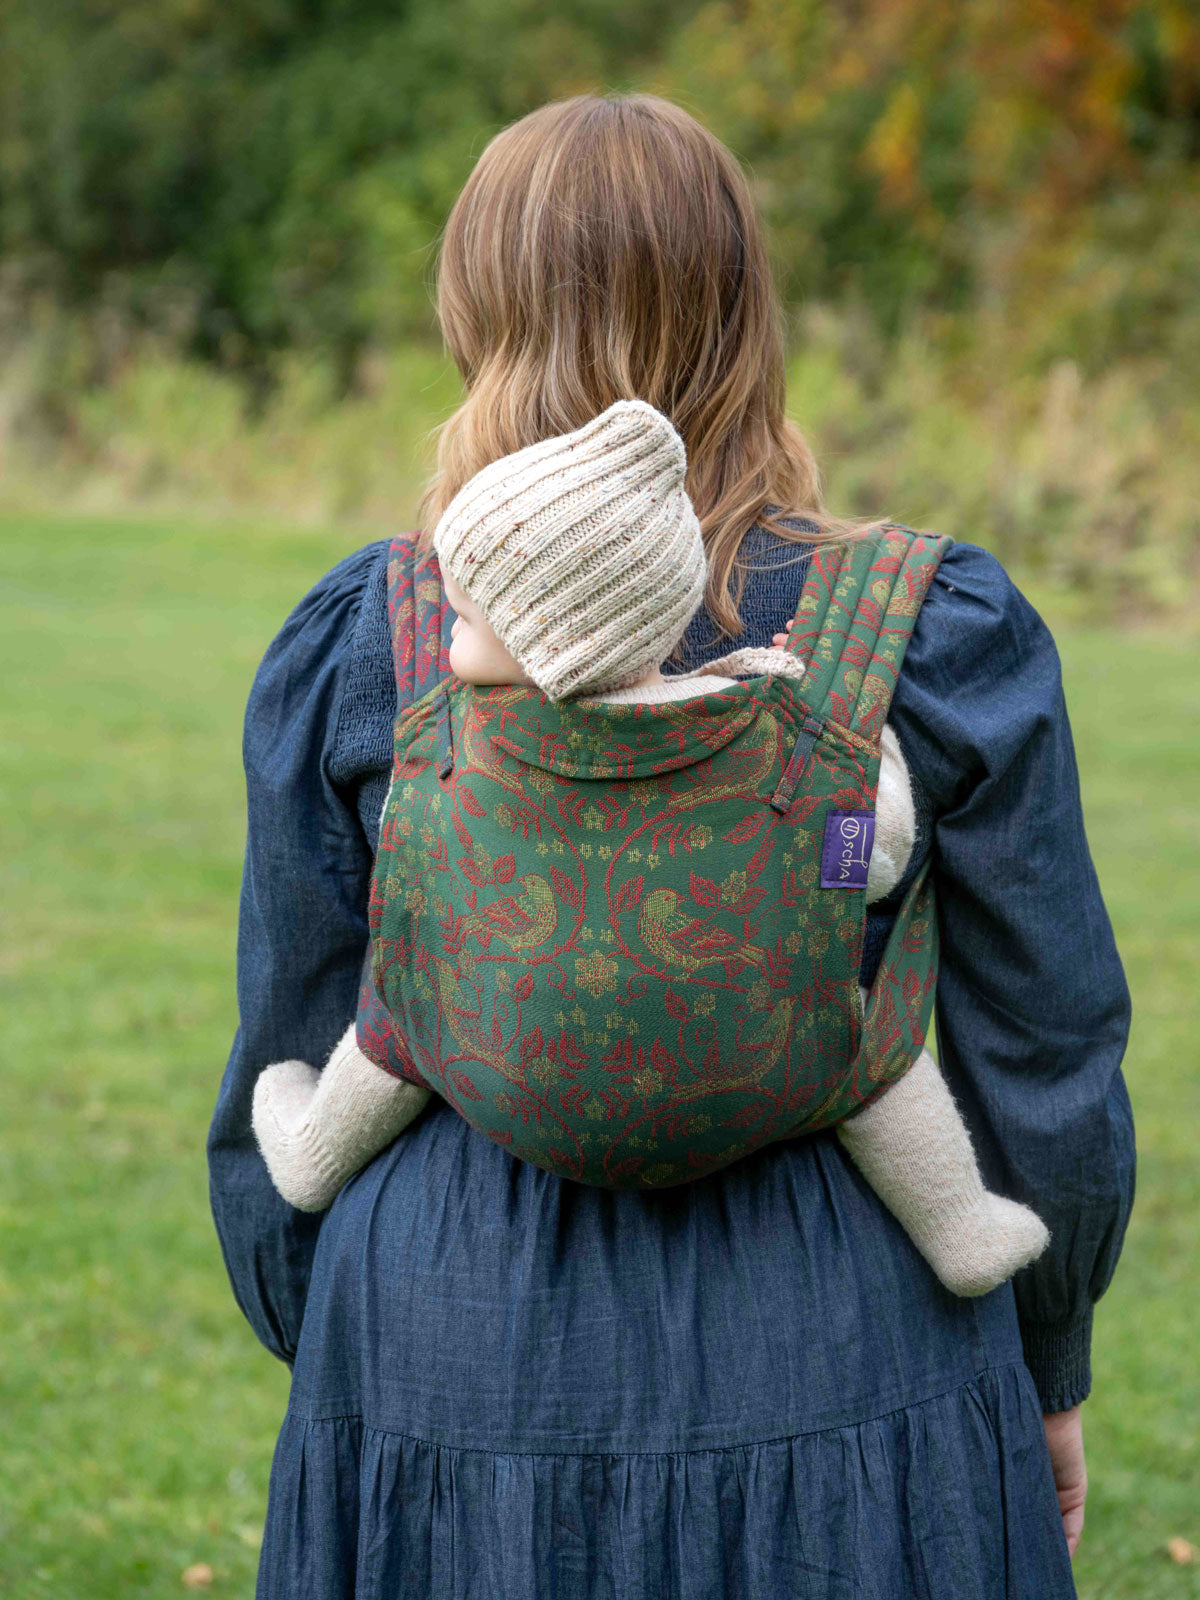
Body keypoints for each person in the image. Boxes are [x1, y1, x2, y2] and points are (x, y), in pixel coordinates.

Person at [208, 93, 1134, 1597]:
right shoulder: (935, 629)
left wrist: (337, 1346)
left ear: (472, 316)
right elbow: (1048, 1053)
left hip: (452, 1336)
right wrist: (1052, 1355)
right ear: (749, 317)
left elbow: (293, 1028)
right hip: (852, 1346)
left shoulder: (369, 645)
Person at [250, 397, 1050, 1302]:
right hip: (773, 1087)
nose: (446, 633)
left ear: (554, 643)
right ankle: (959, 1225)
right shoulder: (767, 731)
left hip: (485, 1081)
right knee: (872, 1067)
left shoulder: (453, 744)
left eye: (467, 619)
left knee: (399, 1019)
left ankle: (316, 1152)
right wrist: (868, 753)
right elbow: (872, 857)